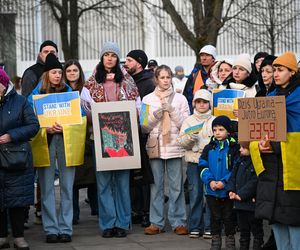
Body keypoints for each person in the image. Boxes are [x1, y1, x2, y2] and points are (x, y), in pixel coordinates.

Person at [81, 42, 140, 238]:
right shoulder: (91, 82)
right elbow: (84, 107)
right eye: (106, 54)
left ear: (117, 58)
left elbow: (138, 107)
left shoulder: (128, 80)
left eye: (113, 55)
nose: (109, 58)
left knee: (122, 182)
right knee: (104, 183)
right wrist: (96, 115)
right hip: (100, 137)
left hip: (123, 139)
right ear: (101, 57)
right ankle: (108, 223)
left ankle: (122, 222)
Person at [28, 53, 87, 244]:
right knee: (45, 188)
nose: (57, 76)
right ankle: (51, 228)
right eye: (53, 72)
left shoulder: (69, 93)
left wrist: (66, 127)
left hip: (65, 141)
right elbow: (29, 120)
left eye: (58, 72)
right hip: (45, 142)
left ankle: (66, 228)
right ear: (46, 74)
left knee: (67, 187)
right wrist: (44, 128)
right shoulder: (35, 97)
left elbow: (82, 118)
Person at [250, 51, 300, 250]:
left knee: (294, 219)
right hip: (271, 170)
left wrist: (275, 145)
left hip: (293, 171)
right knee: (276, 220)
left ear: (292, 72)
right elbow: (256, 134)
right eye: (274, 70)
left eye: (280, 70)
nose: (275, 74)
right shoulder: (269, 97)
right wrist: (259, 145)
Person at [141, 65, 190, 235]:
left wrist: (172, 111)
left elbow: (185, 125)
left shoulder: (180, 99)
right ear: (156, 79)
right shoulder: (147, 99)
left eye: (168, 77)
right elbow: (144, 127)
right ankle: (156, 222)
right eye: (162, 77)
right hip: (156, 147)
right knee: (156, 187)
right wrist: (156, 115)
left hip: (175, 146)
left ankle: (179, 222)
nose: (165, 80)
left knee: (176, 187)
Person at [0, 68, 40, 249]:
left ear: (4, 84)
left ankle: (18, 236)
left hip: (16, 158)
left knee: (17, 199)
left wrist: (11, 135)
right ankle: (2, 236)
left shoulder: (20, 101)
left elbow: (33, 126)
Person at [21, 40, 58, 226]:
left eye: (53, 51)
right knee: (33, 173)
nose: (49, 53)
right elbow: (27, 102)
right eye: (46, 51)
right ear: (39, 53)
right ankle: (26, 211)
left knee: (49, 174)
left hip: (57, 129)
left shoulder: (59, 73)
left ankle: (42, 208)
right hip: (37, 129)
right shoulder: (31, 73)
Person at [63, 59, 98, 225]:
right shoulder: (61, 90)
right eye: (68, 71)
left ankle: (97, 209)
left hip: (87, 137)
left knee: (92, 176)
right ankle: (73, 214)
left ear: (79, 72)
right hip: (69, 138)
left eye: (74, 70)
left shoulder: (86, 90)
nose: (71, 73)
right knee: (73, 180)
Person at [177, 89, 215, 238]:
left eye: (205, 102)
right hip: (193, 162)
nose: (201, 105)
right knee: (195, 194)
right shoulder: (188, 120)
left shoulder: (214, 119)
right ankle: (195, 226)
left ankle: (210, 226)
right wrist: (190, 139)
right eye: (198, 102)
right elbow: (181, 142)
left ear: (209, 104)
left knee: (211, 194)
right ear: (194, 103)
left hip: (211, 162)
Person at [124, 49, 155, 227]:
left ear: (139, 63)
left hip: (143, 132)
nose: (125, 63)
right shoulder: (127, 80)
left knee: (144, 174)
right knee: (132, 174)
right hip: (127, 131)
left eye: (129, 60)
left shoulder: (148, 82)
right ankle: (135, 209)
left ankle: (146, 211)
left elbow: (147, 108)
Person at [199, 115, 240, 250]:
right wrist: (210, 180)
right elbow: (202, 165)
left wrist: (224, 182)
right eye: (215, 129)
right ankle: (215, 241)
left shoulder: (234, 148)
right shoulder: (208, 148)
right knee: (214, 217)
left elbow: (235, 168)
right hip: (211, 190)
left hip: (227, 190)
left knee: (228, 217)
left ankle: (230, 240)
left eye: (221, 129)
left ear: (228, 131)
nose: (217, 132)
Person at [227, 142, 264, 250]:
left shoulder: (256, 163)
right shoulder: (239, 161)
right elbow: (232, 178)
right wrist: (231, 190)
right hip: (239, 204)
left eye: (243, 148)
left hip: (251, 204)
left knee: (256, 230)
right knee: (243, 231)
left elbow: (254, 182)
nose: (240, 150)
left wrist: (241, 195)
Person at [183, 44, 217, 112]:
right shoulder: (194, 75)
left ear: (213, 58)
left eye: (207, 55)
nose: (204, 58)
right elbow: (187, 98)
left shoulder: (220, 74)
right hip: (197, 115)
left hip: (216, 115)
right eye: (202, 55)